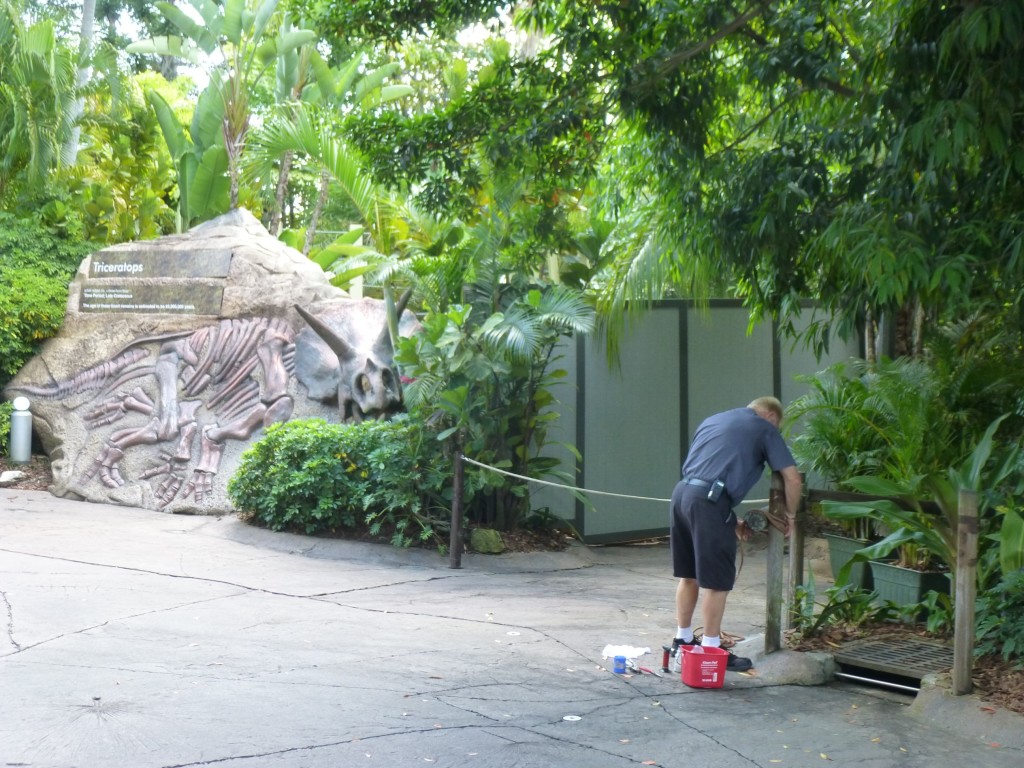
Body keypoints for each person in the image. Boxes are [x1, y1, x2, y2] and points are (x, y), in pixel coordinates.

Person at [669, 396, 802, 671]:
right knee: (717, 582)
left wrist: (728, 519)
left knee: (689, 575)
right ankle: (710, 647)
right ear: (770, 416)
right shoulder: (764, 428)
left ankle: (681, 641)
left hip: (682, 494)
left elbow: (707, 471)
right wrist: (790, 515)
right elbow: (792, 477)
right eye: (777, 425)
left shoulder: (713, 419)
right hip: (709, 500)